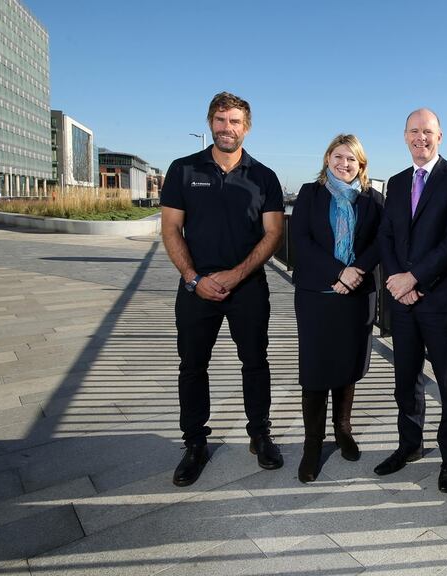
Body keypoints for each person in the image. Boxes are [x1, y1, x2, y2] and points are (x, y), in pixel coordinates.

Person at [161, 91, 285, 487]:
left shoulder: (264, 176)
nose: (226, 127)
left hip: (247, 287)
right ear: (210, 122)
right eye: (219, 119)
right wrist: (194, 278)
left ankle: (259, 435)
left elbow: (273, 234)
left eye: (233, 121)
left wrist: (235, 275)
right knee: (192, 366)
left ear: (245, 128)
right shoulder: (182, 169)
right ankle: (195, 444)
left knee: (255, 362)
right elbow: (170, 229)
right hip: (195, 287)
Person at [374, 109, 447, 492]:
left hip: (441, 300)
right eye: (414, 132)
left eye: (428, 132)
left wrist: (415, 278)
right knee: (405, 380)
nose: (421, 138)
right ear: (404, 136)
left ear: (440, 136)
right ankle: (409, 446)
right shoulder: (397, 183)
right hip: (403, 302)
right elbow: (387, 236)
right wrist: (401, 283)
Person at [290, 134, 383, 483]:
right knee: (315, 370)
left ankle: (342, 428)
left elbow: (380, 241)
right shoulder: (310, 193)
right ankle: (312, 444)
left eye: (352, 160)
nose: (345, 164)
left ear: (361, 166)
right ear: (328, 157)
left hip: (357, 296)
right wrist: (337, 271)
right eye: (339, 157)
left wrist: (355, 272)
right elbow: (301, 240)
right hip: (317, 293)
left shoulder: (373, 200)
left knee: (347, 365)